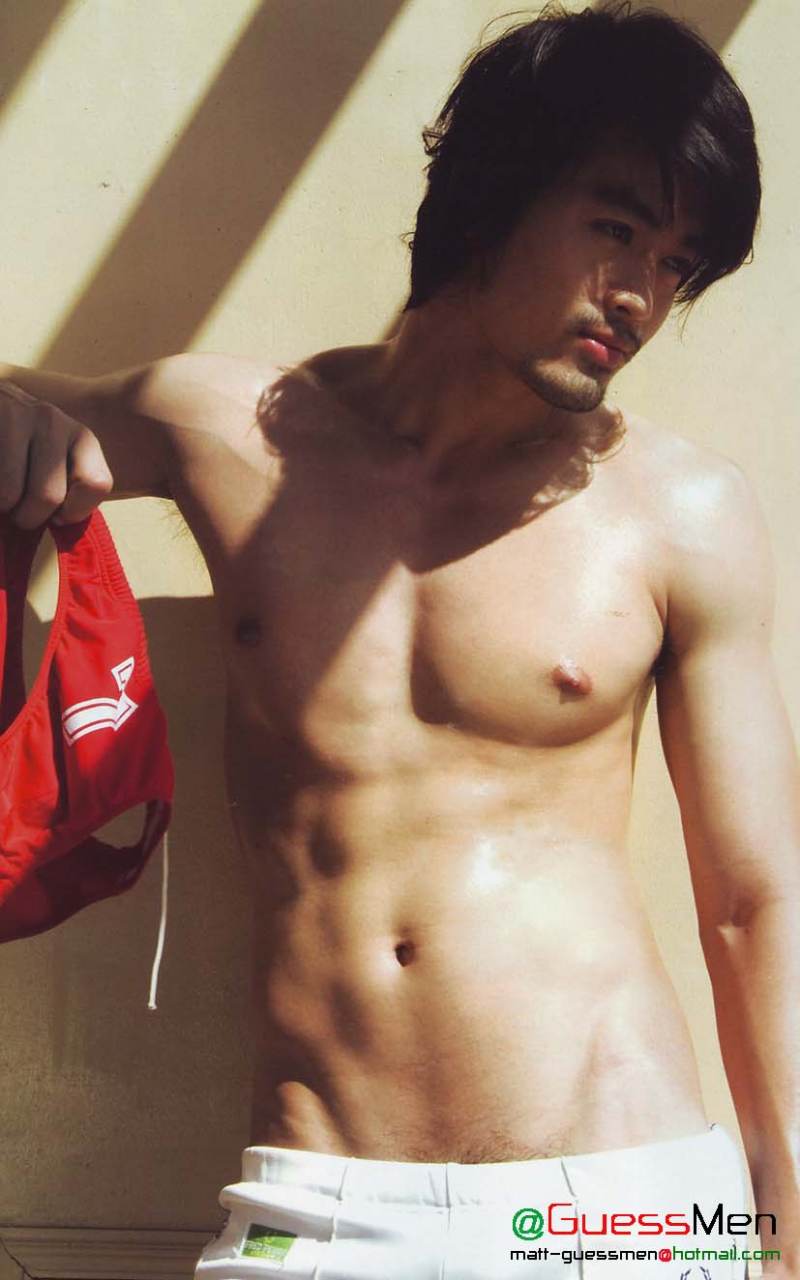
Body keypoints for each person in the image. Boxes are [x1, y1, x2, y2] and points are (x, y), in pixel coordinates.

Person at [1, 2, 797, 1275]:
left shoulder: (681, 511)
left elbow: (752, 899)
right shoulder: (228, 433)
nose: (640, 295)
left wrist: (780, 1224)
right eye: (615, 228)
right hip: (318, 1200)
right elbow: (35, 416)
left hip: (620, 1195)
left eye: (676, 261)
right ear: (495, 188)